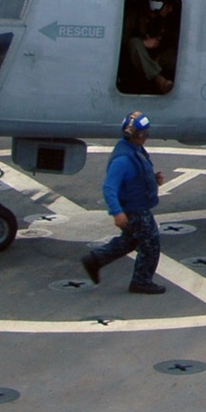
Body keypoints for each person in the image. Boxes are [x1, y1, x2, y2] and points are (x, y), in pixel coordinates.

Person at [80, 110, 167, 295]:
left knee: (130, 240)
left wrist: (152, 178)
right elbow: (109, 187)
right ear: (133, 135)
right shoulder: (123, 159)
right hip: (135, 210)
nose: (145, 138)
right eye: (142, 135)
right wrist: (117, 212)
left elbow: (136, 175)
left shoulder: (134, 150)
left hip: (135, 206)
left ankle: (95, 260)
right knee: (151, 243)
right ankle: (141, 281)